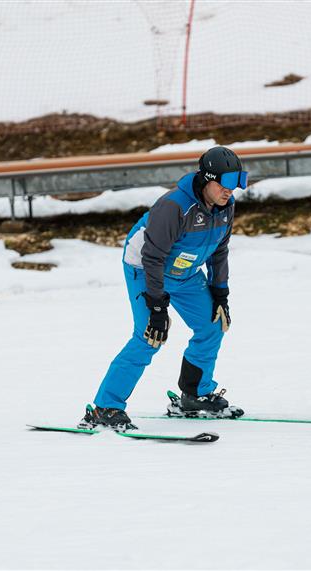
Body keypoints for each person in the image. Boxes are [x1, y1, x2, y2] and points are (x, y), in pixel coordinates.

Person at [80, 146, 247, 430]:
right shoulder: (173, 207)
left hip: (186, 271)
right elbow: (153, 257)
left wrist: (220, 294)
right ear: (207, 179)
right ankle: (106, 407)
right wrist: (157, 306)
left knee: (212, 325)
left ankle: (195, 395)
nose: (232, 190)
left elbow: (219, 252)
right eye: (227, 183)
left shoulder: (225, 207)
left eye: (239, 181)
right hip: (146, 269)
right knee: (149, 336)